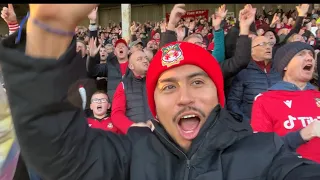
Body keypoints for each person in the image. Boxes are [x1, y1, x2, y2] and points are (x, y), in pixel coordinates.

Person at [2, 5, 320, 179]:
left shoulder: (266, 154)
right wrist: (49, 25)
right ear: (154, 104)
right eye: (168, 86)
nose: (184, 97)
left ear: (219, 94)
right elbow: (57, 151)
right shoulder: (128, 156)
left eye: (198, 82)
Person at [251, 42, 320, 163]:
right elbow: (262, 149)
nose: (310, 57)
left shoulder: (317, 96)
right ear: (285, 65)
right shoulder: (265, 100)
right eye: (301, 54)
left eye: (311, 54)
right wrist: (301, 135)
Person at [227, 36, 281, 121]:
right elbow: (233, 103)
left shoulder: (279, 71)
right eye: (262, 44)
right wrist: (248, 123)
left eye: (269, 44)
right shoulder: (243, 72)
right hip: (253, 127)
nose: (268, 47)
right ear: (251, 50)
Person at [111, 50, 153, 134]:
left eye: (146, 58)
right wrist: (132, 127)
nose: (145, 61)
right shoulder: (123, 85)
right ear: (131, 66)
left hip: (158, 134)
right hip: (134, 137)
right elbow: (117, 114)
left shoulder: (157, 81)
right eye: (139, 59)